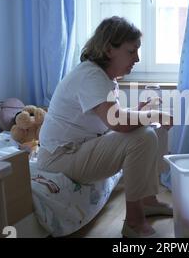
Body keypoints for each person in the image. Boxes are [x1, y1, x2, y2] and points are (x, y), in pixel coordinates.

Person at [37, 16, 174, 237]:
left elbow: (109, 121)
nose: (137, 58)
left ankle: (148, 200)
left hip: (79, 148)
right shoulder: (91, 75)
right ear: (109, 49)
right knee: (144, 136)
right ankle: (134, 222)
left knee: (153, 129)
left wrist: (143, 114)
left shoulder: (105, 78)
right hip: (59, 157)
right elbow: (117, 121)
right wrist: (152, 114)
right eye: (131, 51)